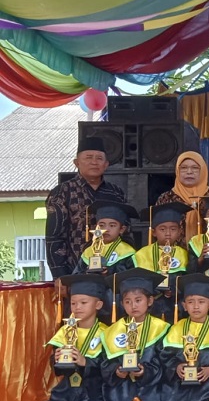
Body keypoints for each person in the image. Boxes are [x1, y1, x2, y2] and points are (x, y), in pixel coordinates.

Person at [46, 136, 126, 279]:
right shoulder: (62, 192)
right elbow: (54, 238)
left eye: (99, 158)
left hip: (112, 271)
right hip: (74, 271)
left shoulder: (115, 193)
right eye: (88, 157)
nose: (94, 162)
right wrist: (60, 276)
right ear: (76, 163)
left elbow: (125, 232)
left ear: (106, 164)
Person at [101, 269, 170, 401]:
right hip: (122, 386)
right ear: (122, 304)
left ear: (150, 301)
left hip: (151, 385)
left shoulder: (161, 328)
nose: (133, 306)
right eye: (128, 302)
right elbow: (106, 363)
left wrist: (146, 371)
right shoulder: (112, 331)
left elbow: (165, 361)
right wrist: (116, 371)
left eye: (138, 300)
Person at [39, 274, 108, 401]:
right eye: (73, 303)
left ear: (98, 305)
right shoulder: (66, 331)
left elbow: (108, 366)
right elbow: (58, 369)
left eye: (83, 302)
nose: (77, 307)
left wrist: (86, 362)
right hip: (68, 386)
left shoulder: (106, 333)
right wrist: (57, 360)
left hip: (93, 388)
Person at [160, 274, 209, 401]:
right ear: (184, 306)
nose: (196, 306)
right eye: (190, 302)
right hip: (180, 381)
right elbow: (166, 355)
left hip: (206, 380)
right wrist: (176, 366)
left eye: (201, 302)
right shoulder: (177, 328)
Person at [133, 203, 192, 321]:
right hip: (151, 304)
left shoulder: (184, 254)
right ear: (154, 232)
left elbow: (187, 282)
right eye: (162, 229)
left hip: (176, 305)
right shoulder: (142, 254)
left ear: (180, 231)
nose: (168, 233)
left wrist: (174, 290)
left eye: (173, 229)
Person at [155, 152, 209, 248]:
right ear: (177, 171)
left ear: (203, 171)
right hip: (174, 253)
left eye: (195, 168)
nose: (189, 172)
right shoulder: (167, 198)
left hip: (208, 251)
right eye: (184, 168)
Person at [73, 201, 138, 276]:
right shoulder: (89, 251)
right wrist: (86, 273)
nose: (106, 229)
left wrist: (108, 273)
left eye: (112, 225)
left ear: (122, 229)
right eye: (101, 225)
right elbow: (76, 275)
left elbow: (132, 278)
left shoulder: (127, 252)